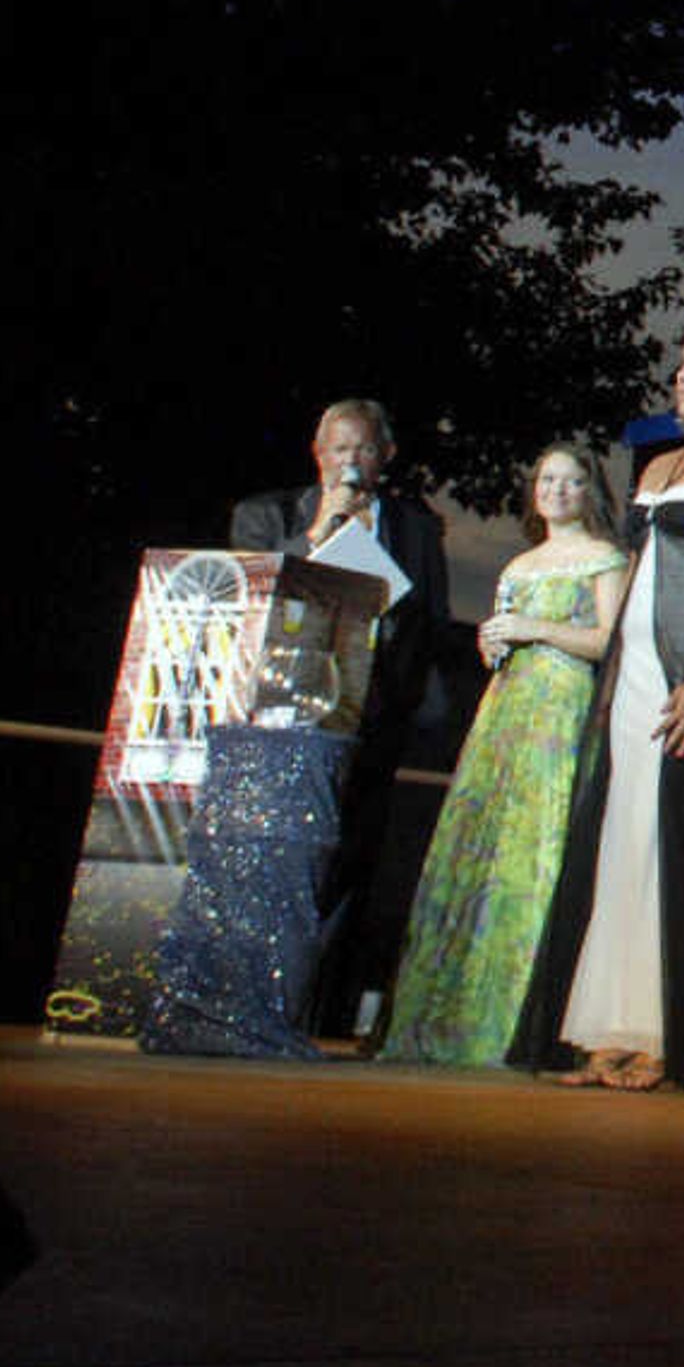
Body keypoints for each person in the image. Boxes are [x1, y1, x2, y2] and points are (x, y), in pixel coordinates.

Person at [514, 314, 684, 1092]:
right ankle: (607, 1027)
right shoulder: (663, 463)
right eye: (683, 363)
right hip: (632, 673)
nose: (682, 375)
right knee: (622, 842)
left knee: (681, 849)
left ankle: (669, 1037)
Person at [377, 447, 624, 1065]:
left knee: (537, 842)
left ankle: (519, 1015)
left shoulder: (605, 558)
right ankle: (448, 1014)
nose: (558, 491)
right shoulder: (518, 564)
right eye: (547, 479)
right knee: (480, 846)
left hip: (560, 710)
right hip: (505, 712)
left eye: (572, 481)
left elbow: (607, 642)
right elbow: (502, 637)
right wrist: (495, 641)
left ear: (591, 491)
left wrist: (533, 631)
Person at [231, 395, 455, 1035]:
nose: (348, 461)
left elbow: (429, 623)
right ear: (316, 452)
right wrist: (317, 533)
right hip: (284, 722)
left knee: (352, 862)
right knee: (281, 858)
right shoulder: (268, 513)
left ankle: (320, 1014)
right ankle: (256, 1004)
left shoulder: (415, 527)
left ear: (384, 456)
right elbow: (251, 593)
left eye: (361, 448)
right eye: (337, 448)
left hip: (373, 721)